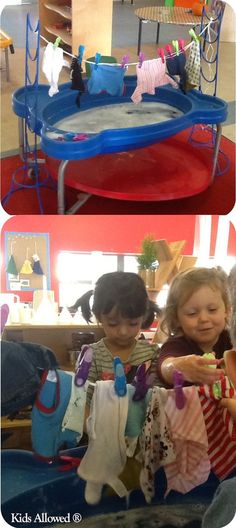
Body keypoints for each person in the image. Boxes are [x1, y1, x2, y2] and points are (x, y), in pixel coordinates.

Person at [72, 271, 162, 407]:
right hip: (103, 425)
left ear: (143, 317)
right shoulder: (92, 356)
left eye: (133, 323)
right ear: (99, 317)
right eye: (113, 323)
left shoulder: (152, 353)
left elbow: (158, 398)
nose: (123, 332)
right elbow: (83, 401)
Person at [156, 267, 232, 387]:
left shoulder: (231, 340)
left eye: (212, 310)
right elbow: (164, 366)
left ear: (227, 310)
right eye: (192, 313)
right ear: (176, 318)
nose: (203, 318)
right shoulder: (176, 345)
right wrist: (177, 367)